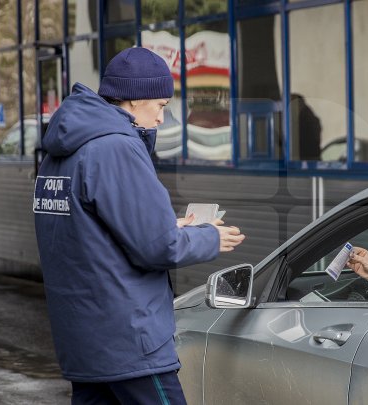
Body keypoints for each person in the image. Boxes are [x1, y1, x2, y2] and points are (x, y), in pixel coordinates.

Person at [33, 47, 245, 404]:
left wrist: (167, 224)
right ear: (134, 101)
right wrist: (209, 237)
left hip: (84, 341)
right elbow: (159, 246)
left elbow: (85, 233)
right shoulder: (115, 147)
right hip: (129, 341)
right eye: (161, 106)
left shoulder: (60, 153)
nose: (162, 119)